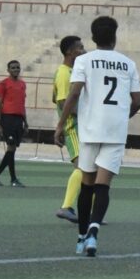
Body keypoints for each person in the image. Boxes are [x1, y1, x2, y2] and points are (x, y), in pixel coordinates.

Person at [54, 16, 140, 257]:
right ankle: (93, 229)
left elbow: (73, 94)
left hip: (90, 129)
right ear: (115, 36)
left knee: (87, 185)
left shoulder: (83, 60)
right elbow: (137, 101)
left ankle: (82, 236)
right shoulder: (128, 63)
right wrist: (122, 117)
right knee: (103, 186)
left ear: (93, 38)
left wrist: (60, 125)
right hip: (115, 131)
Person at [53, 35, 87, 222]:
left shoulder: (73, 71)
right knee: (82, 166)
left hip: (81, 127)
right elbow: (65, 103)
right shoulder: (65, 73)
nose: (83, 50)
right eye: (80, 48)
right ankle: (66, 207)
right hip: (73, 128)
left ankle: (88, 213)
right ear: (69, 51)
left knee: (93, 169)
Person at [0, 60, 28, 188]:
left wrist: (26, 122)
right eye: (13, 68)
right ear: (8, 70)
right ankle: (11, 178)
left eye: (17, 67)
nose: (16, 69)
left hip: (19, 120)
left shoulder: (23, 84)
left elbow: (22, 105)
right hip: (7, 119)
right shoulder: (3, 84)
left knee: (12, 150)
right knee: (11, 147)